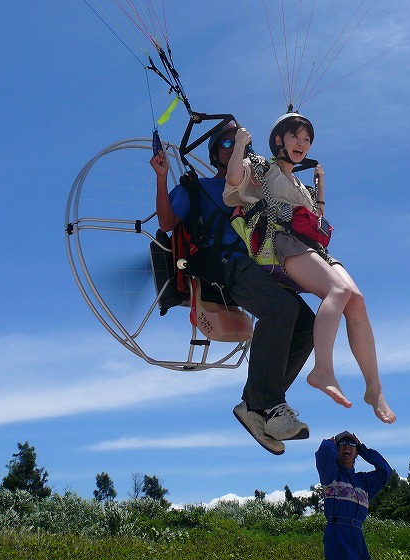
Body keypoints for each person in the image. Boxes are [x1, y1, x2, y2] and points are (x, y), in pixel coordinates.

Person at [150, 120, 315, 455]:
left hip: (263, 266)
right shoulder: (198, 187)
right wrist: (161, 177)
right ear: (215, 156)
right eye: (227, 144)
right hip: (228, 265)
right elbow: (166, 223)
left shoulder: (256, 189)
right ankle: (269, 405)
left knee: (308, 324)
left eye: (241, 143)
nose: (236, 147)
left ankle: (252, 404)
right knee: (280, 309)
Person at [223, 113, 396, 423]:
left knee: (356, 300)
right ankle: (323, 369)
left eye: (306, 139)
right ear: (279, 140)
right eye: (296, 136)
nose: (302, 143)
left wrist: (320, 187)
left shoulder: (300, 186)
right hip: (283, 243)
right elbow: (234, 180)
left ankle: (374, 387)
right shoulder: (262, 168)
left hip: (313, 248)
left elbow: (316, 218)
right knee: (337, 290)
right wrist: (239, 144)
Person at [316, 431, 392, 560]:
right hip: (337, 532)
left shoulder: (363, 482)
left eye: (351, 444)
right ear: (336, 449)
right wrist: (330, 443)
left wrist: (363, 449)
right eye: (342, 443)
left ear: (356, 452)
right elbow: (324, 452)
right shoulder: (331, 476)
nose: (347, 446)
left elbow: (386, 471)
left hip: (358, 535)